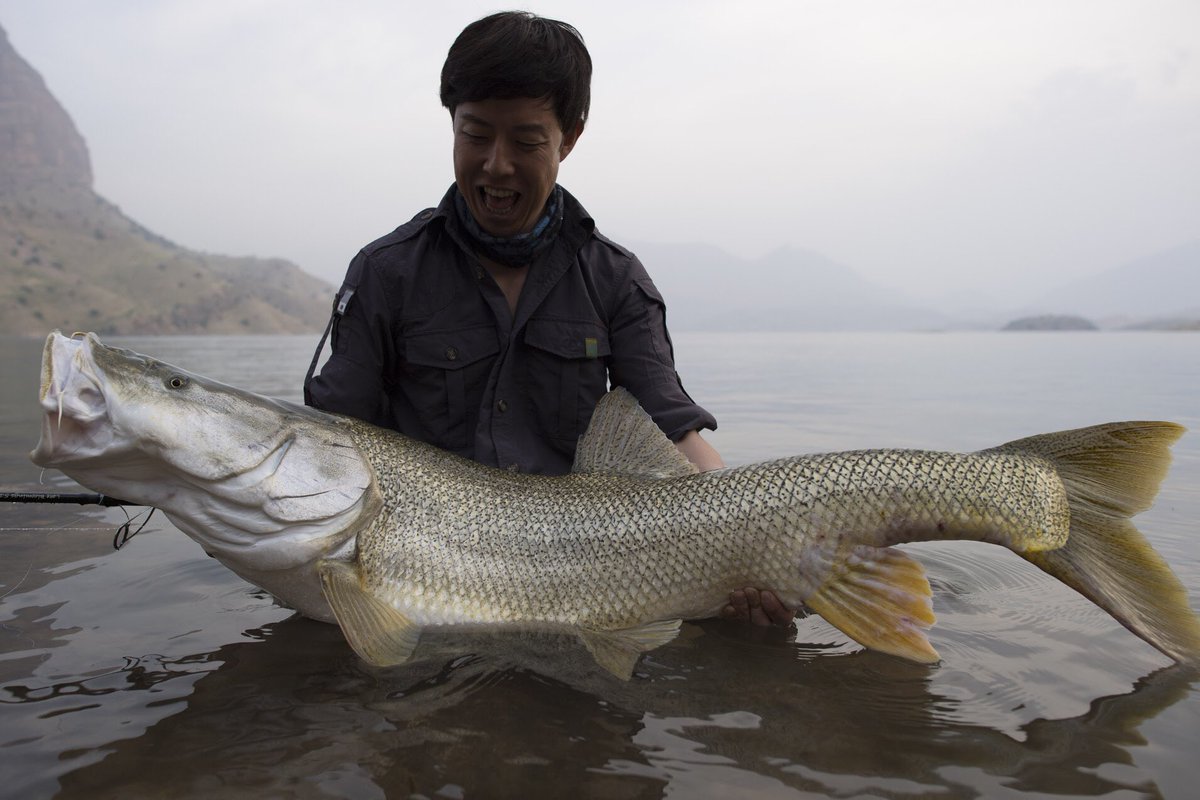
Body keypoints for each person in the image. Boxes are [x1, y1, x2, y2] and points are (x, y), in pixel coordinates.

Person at [305, 11, 792, 628]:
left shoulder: (616, 279)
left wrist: (754, 549)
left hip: (581, 577)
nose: (497, 165)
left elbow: (675, 433)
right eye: (475, 134)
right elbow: (329, 443)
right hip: (419, 573)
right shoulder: (385, 273)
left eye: (527, 142)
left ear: (570, 138)